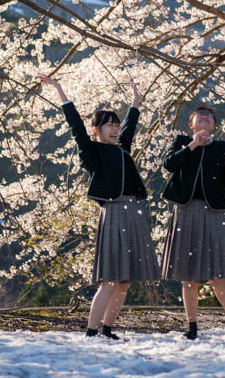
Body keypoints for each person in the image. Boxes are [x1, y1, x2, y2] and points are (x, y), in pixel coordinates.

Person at [39, 74, 161, 340]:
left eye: (115, 125)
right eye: (108, 125)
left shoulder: (123, 148)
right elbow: (76, 128)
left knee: (125, 281)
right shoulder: (92, 151)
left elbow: (131, 125)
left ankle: (107, 329)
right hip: (114, 211)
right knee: (110, 280)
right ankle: (91, 331)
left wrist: (136, 101)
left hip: (133, 212)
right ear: (97, 130)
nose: (114, 129)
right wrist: (60, 90)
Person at [161, 105, 225, 340]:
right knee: (188, 275)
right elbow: (169, 165)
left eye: (210, 116)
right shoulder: (181, 142)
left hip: (214, 212)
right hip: (185, 210)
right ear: (192, 124)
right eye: (200, 115)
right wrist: (193, 145)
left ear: (214, 125)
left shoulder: (223, 148)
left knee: (217, 272)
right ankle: (192, 326)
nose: (206, 117)